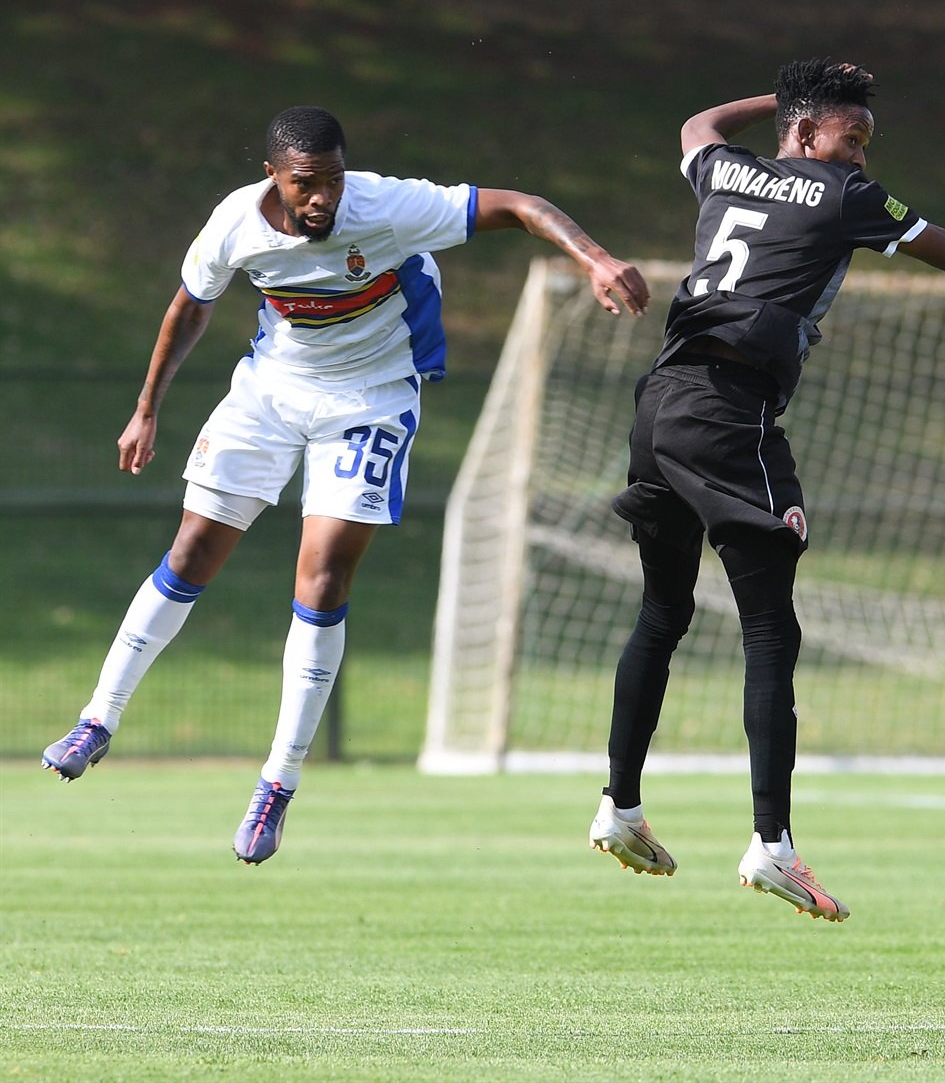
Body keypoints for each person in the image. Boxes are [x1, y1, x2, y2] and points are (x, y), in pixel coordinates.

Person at [43, 105, 650, 863]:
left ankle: (277, 784)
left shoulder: (388, 205)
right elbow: (189, 307)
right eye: (306, 185)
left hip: (371, 401)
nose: (322, 199)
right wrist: (146, 409)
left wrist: (593, 258)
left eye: (331, 179)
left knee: (323, 577)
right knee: (193, 550)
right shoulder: (235, 221)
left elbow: (522, 207)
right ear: (274, 176)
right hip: (269, 391)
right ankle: (98, 719)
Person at [588, 59, 945, 922]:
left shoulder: (726, 167)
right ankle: (772, 846)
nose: (859, 156)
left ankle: (621, 807)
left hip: (661, 405)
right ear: (808, 134)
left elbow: (699, 124)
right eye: (848, 138)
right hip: (730, 415)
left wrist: (774, 103)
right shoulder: (848, 196)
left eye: (864, 144)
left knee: (663, 613)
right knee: (770, 629)